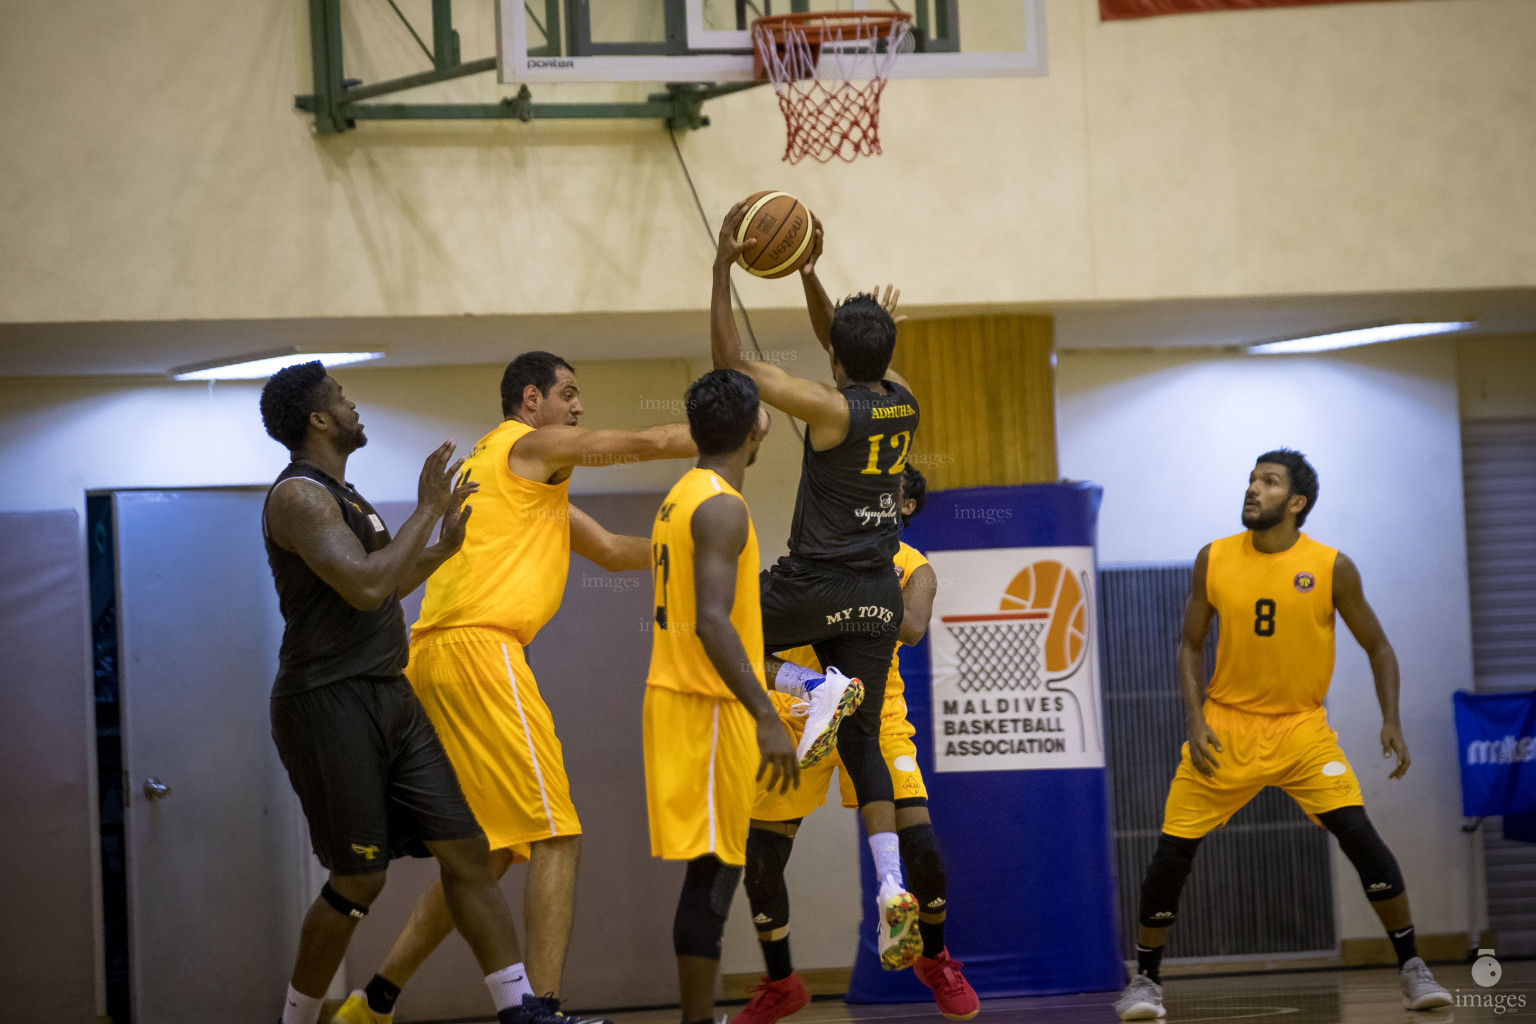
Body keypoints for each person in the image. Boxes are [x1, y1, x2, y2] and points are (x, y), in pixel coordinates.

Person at [334, 351, 697, 1024]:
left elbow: (617, 552)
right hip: (480, 650)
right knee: (557, 834)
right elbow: (643, 442)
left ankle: (370, 1003)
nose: (579, 407)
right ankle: (542, 1011)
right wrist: (727, 428)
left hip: (432, 658)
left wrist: (693, 550)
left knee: (490, 855)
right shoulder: (529, 448)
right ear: (531, 401)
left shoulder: (510, 479)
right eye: (569, 394)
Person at [1114, 450, 1454, 1021]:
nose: (1252, 489)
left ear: (1295, 503)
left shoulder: (1331, 567)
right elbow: (1190, 644)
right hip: (1225, 729)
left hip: (1301, 731)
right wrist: (1195, 721)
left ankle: (1412, 967)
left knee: (1360, 837)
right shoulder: (1214, 557)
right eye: (1251, 479)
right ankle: (1145, 983)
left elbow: (1380, 646)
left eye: (1268, 482)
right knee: (1170, 857)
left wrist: (1390, 719)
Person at [260, 361, 550, 1024]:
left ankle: (521, 1010)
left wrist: (443, 545)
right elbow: (366, 584)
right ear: (318, 419)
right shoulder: (298, 498)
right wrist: (426, 508)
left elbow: (383, 583)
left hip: (391, 694)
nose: (352, 403)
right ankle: (297, 1020)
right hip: (326, 702)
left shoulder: (347, 494)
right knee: (360, 879)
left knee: (469, 851)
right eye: (341, 396)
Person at [711, 204, 922, 972]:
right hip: (876, 593)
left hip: (814, 586)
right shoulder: (902, 397)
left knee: (713, 638)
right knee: (865, 746)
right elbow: (850, 343)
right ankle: (892, 885)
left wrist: (722, 271)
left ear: (834, 356)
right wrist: (808, 273)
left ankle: (805, 682)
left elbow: (733, 366)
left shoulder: (829, 408)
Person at [735, 465, 980, 1023]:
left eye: (888, 493)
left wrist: (854, 601)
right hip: (799, 716)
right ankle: (782, 983)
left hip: (878, 713)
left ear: (907, 507)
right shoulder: (822, 547)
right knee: (762, 862)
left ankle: (936, 958)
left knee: (926, 855)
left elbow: (914, 627)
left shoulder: (912, 565)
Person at [643, 368, 800, 1024]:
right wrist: (765, 712)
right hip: (704, 704)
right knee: (712, 878)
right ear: (754, 427)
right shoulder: (721, 505)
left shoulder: (682, 493)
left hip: (685, 698)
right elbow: (711, 621)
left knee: (713, 873)